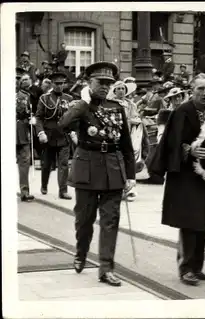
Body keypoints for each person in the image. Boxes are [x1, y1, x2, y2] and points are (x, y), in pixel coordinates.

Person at [149, 73, 205, 286]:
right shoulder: (182, 112)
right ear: (192, 90)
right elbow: (172, 143)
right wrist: (190, 152)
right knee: (190, 221)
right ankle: (186, 268)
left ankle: (197, 267)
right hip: (186, 175)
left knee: (203, 220)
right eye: (201, 89)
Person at [57, 62, 136, 286]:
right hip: (87, 168)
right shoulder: (81, 106)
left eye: (108, 83)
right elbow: (63, 124)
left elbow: (126, 144)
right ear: (88, 83)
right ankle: (81, 253)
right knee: (84, 220)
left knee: (110, 221)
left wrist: (130, 176)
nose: (105, 87)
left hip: (113, 168)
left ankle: (106, 269)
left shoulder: (116, 107)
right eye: (100, 82)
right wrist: (83, 103)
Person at [35, 72, 75, 199]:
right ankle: (44, 184)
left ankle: (63, 191)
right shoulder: (44, 98)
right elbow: (38, 117)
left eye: (61, 83)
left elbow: (72, 118)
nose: (59, 86)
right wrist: (40, 132)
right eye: (57, 84)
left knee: (63, 164)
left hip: (63, 136)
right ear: (52, 84)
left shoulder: (69, 99)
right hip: (48, 135)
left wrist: (73, 131)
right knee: (47, 164)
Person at [16, 71, 36, 202]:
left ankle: (24, 190)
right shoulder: (22, 96)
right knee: (24, 161)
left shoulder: (27, 95)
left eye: (29, 79)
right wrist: (30, 116)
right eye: (25, 80)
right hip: (21, 130)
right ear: (21, 83)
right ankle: (24, 191)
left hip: (21, 129)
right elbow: (21, 111)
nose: (28, 81)